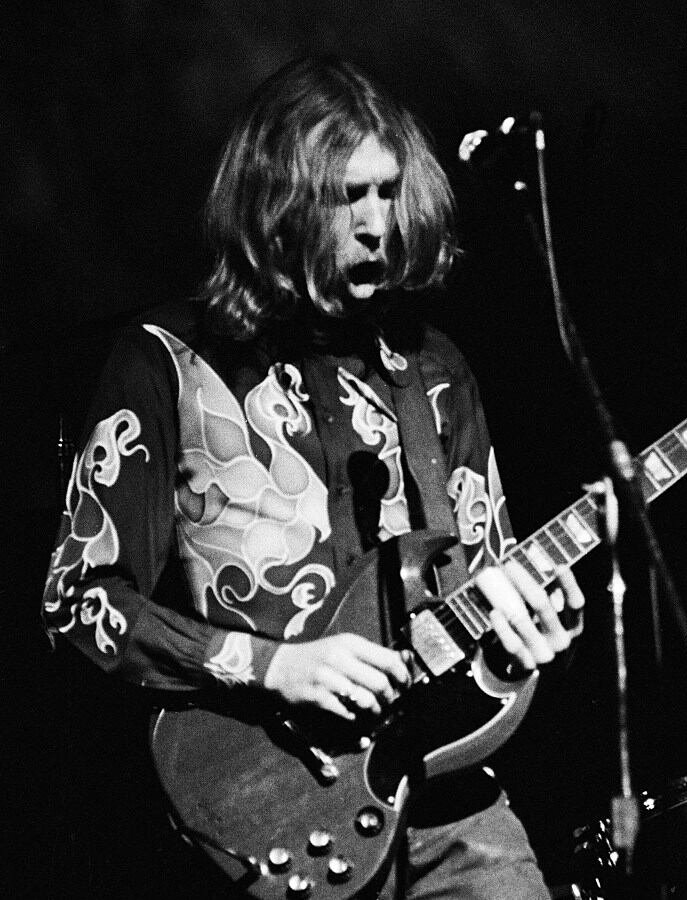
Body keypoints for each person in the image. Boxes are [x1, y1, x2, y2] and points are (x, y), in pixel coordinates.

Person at [42, 56, 582, 899]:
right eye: (345, 197)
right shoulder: (166, 360)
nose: (377, 224)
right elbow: (79, 603)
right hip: (266, 809)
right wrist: (273, 667)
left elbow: (484, 589)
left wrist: (523, 645)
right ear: (277, 206)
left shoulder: (434, 370)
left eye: (388, 191)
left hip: (453, 811)